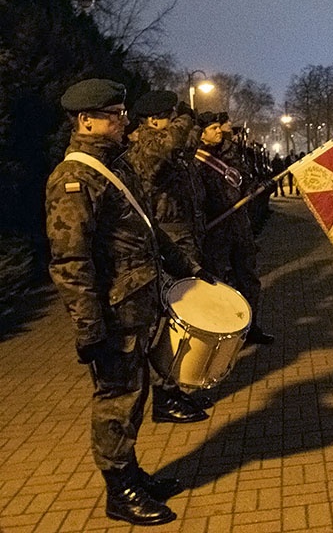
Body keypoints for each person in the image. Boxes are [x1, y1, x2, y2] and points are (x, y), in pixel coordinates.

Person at [45, 79, 213, 525]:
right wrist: (88, 328)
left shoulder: (115, 166)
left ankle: (133, 473)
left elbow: (147, 227)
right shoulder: (74, 178)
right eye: (114, 114)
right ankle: (119, 491)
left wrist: (187, 266)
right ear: (86, 120)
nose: (124, 121)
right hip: (113, 315)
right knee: (116, 401)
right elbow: (70, 260)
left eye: (122, 113)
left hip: (136, 305)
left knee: (135, 394)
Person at [130, 90, 213, 421]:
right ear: (153, 121)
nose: (179, 123)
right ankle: (165, 397)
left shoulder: (169, 148)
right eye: (171, 115)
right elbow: (172, 141)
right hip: (162, 249)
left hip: (180, 246)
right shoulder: (143, 150)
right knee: (163, 325)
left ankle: (173, 388)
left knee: (178, 321)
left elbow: (186, 143)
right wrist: (186, 117)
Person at [195, 112, 273, 344]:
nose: (219, 131)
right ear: (202, 133)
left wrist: (258, 189)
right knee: (218, 283)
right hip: (216, 232)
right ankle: (222, 332)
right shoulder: (196, 161)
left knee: (248, 278)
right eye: (213, 128)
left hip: (240, 226)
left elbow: (244, 181)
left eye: (219, 127)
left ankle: (251, 327)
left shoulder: (231, 154)